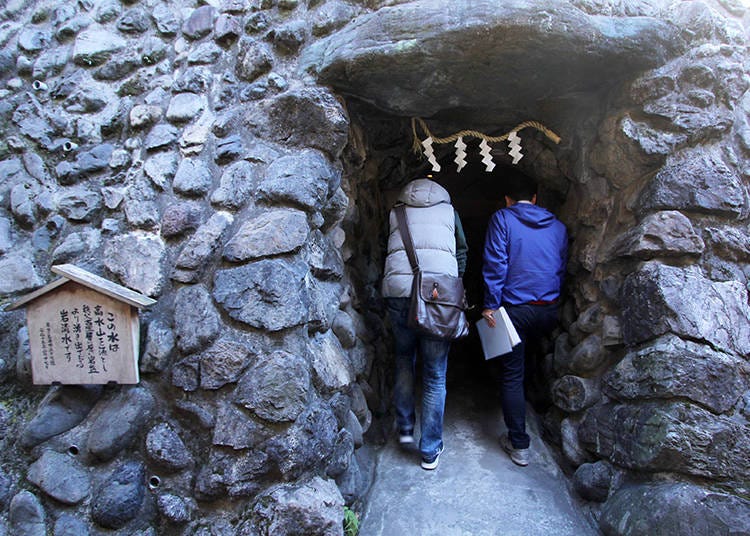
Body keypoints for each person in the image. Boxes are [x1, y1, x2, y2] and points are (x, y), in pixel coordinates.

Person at [481, 173, 567, 467]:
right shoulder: (558, 226)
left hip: (515, 310)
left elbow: (496, 263)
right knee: (532, 359)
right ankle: (536, 413)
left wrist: (490, 305)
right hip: (548, 309)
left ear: (507, 199)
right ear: (535, 198)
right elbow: (560, 266)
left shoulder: (503, 219)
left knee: (512, 374)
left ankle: (519, 443)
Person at [382, 177, 468, 470]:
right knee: (435, 373)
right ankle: (430, 448)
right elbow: (462, 251)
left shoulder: (397, 213)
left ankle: (405, 430)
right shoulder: (449, 212)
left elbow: (388, 248)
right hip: (436, 295)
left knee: (404, 359)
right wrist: (454, 282)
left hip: (398, 293)